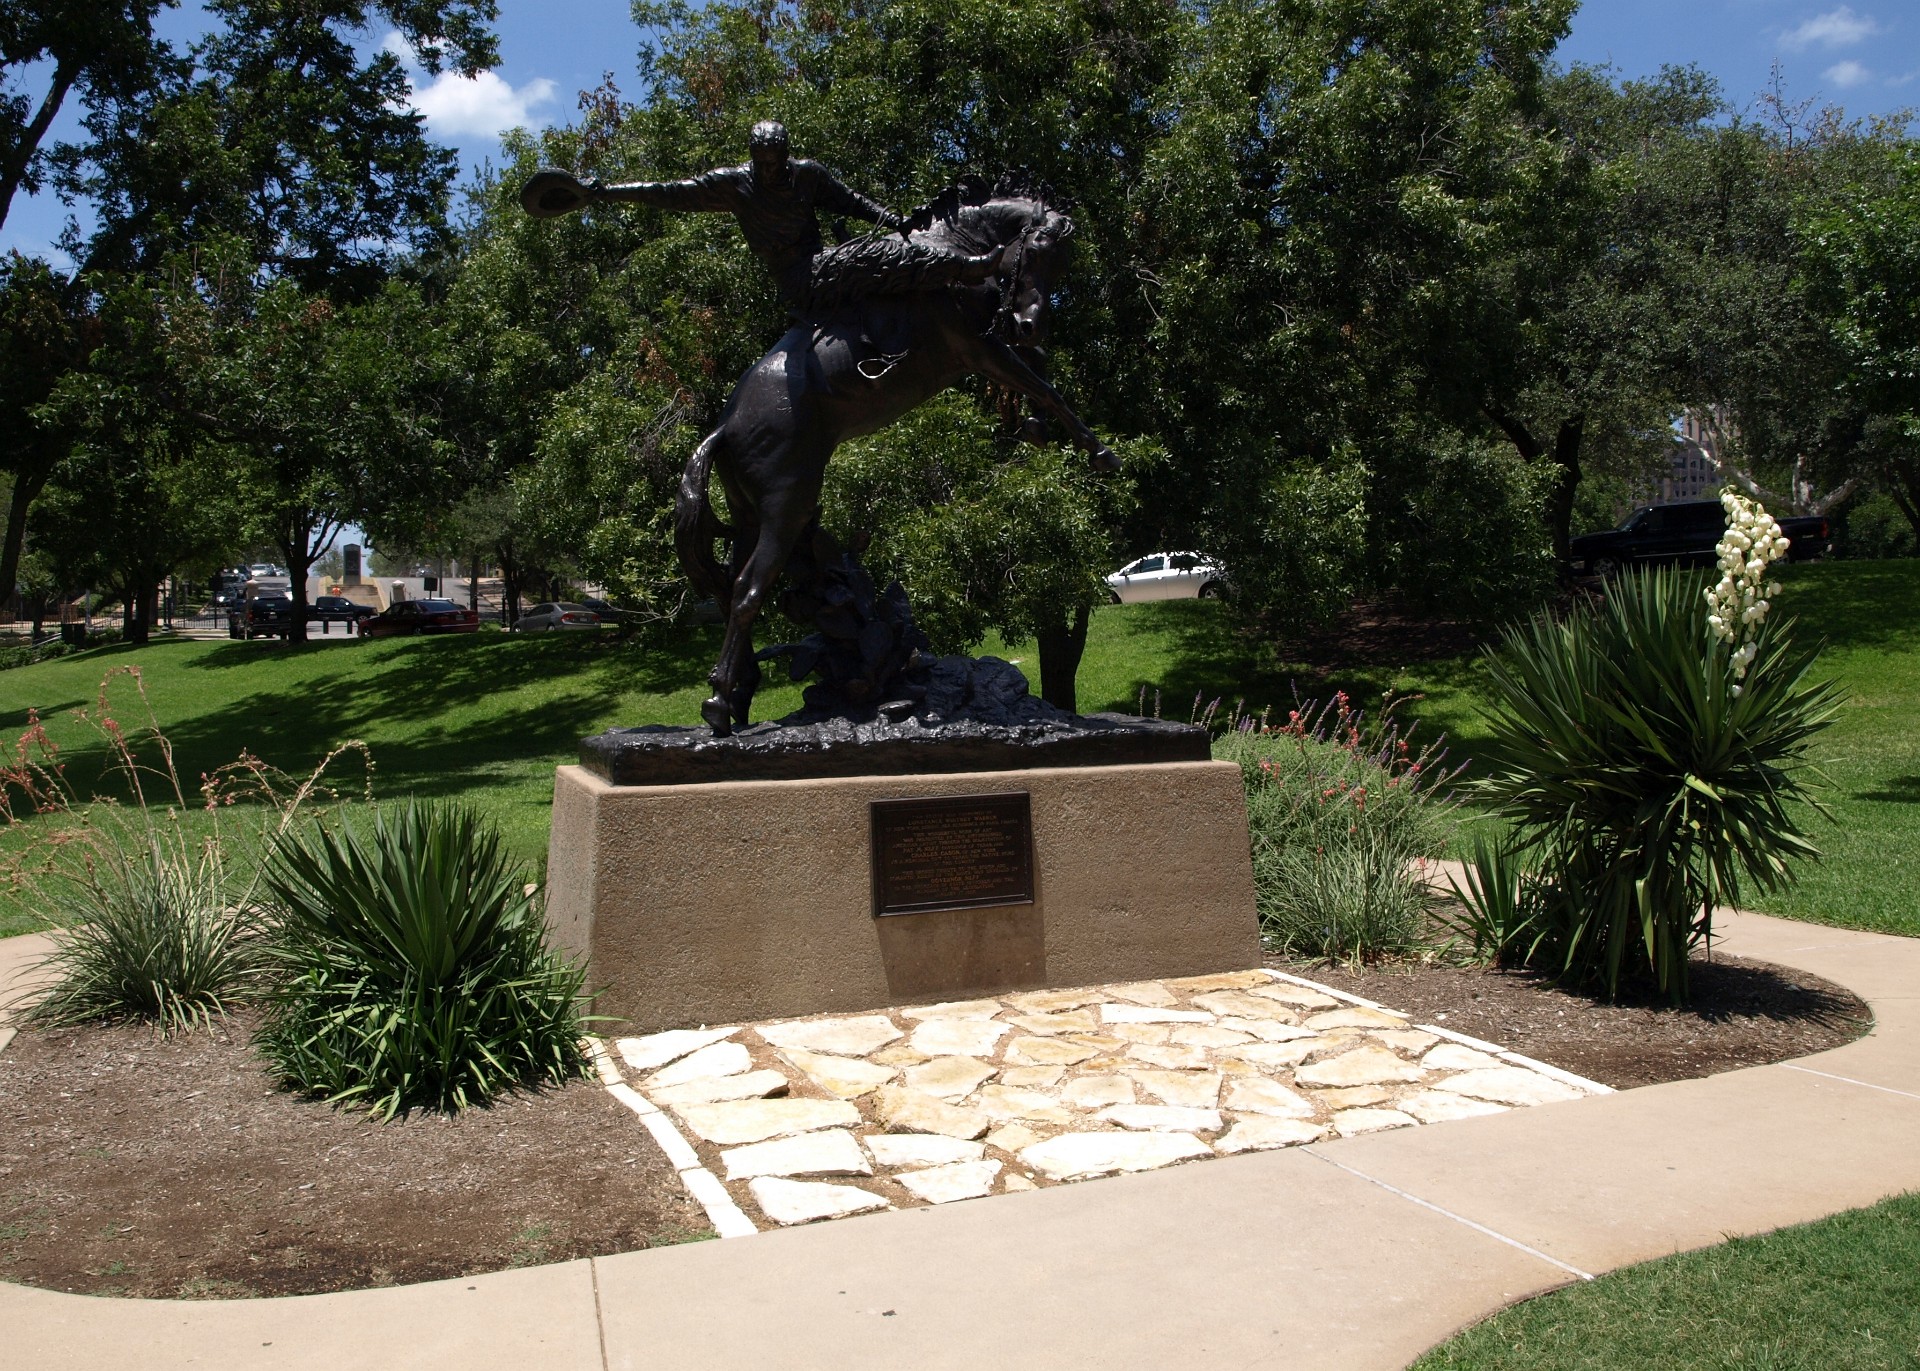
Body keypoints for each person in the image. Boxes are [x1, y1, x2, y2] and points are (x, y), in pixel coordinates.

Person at [559, 121, 1005, 315]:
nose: (770, 170)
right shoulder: (734, 185)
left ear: (786, 155)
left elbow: (848, 201)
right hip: (796, 276)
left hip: (819, 258)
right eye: (763, 163)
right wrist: (607, 191)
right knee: (874, 258)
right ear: (753, 157)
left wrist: (893, 220)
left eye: (776, 162)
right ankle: (961, 270)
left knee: (879, 247)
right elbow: (670, 193)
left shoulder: (807, 175)